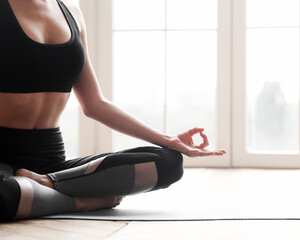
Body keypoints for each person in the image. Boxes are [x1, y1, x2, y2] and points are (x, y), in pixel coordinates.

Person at [0, 0, 226, 220]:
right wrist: (87, 201)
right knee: (5, 195)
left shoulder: (71, 12)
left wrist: (168, 140)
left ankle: (47, 184)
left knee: (169, 162)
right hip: (4, 161)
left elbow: (95, 104)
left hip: (54, 164)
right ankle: (81, 201)